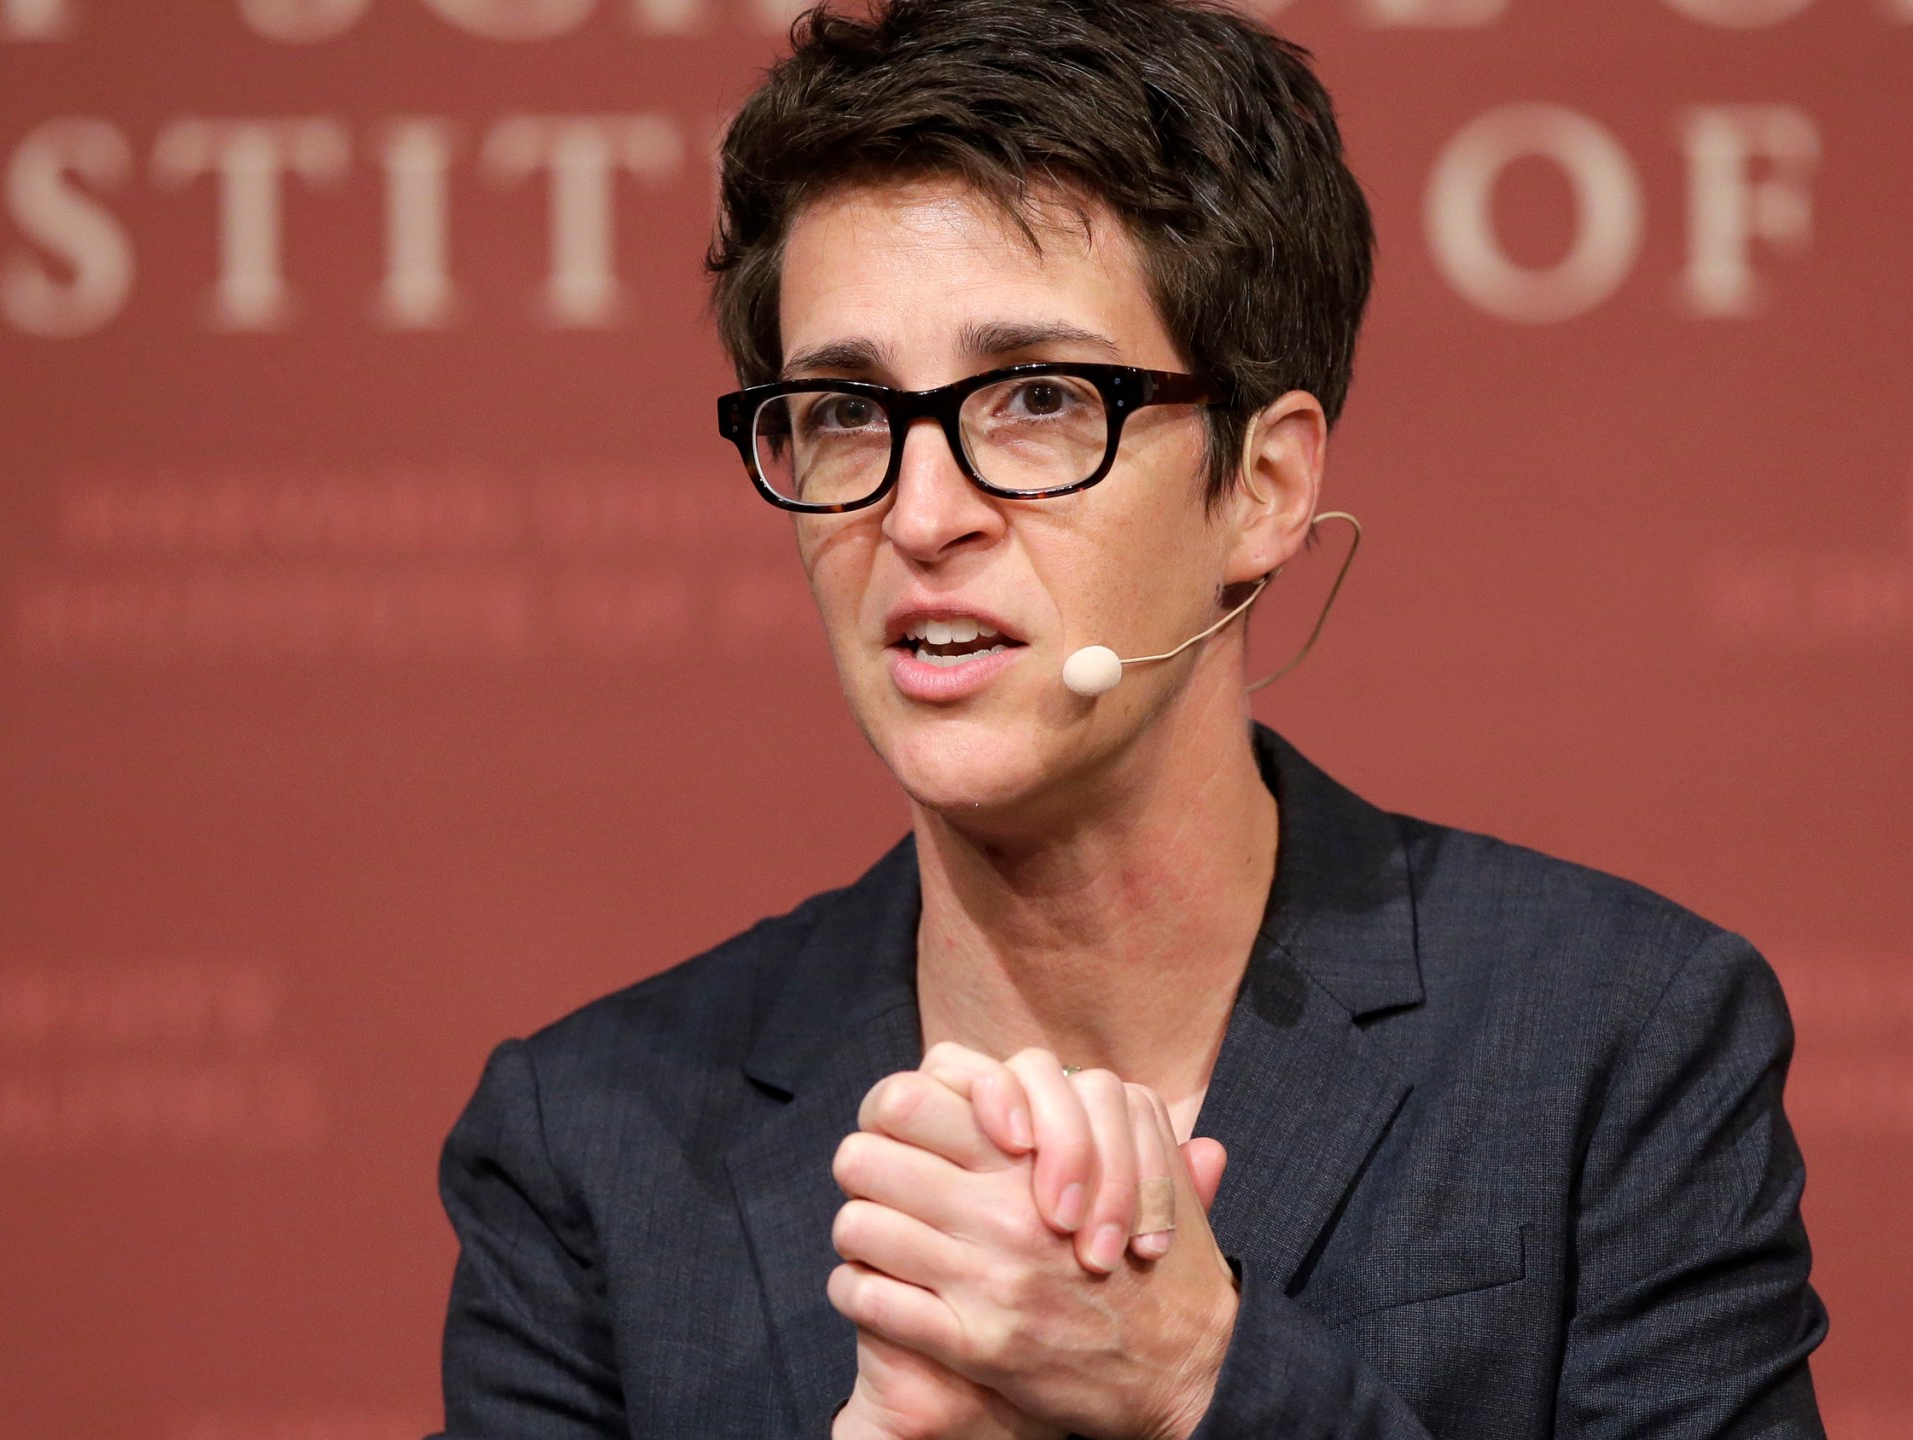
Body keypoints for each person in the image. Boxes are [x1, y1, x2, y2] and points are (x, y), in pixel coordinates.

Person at [432, 1, 1829, 1436]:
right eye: (846, 412)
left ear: (1265, 487)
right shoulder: (589, 1144)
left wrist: (1198, 1385)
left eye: (1036, 398)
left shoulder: (1610, 1041)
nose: (920, 516)